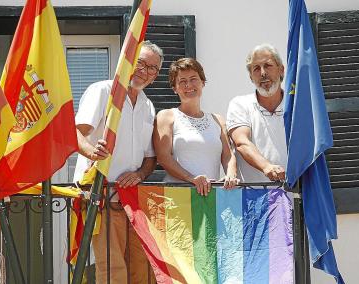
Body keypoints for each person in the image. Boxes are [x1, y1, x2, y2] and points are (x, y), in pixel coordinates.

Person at [73, 41, 163, 284]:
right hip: (101, 195)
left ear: (155, 76)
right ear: (127, 62)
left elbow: (150, 157)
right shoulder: (103, 90)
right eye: (140, 63)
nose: (144, 71)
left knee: (142, 268)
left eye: (152, 68)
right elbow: (76, 133)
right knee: (112, 268)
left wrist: (141, 174)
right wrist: (93, 152)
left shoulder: (148, 105)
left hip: (133, 200)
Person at [154, 58, 239, 195]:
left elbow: (228, 156)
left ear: (203, 82)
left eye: (193, 79)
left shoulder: (218, 120)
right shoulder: (166, 116)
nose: (188, 85)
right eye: (182, 81)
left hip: (211, 197)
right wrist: (191, 179)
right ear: (174, 88)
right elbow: (163, 157)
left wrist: (231, 175)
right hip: (178, 198)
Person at [227, 43, 287, 183]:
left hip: (295, 194)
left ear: (281, 70)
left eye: (268, 65)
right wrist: (267, 167)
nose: (263, 73)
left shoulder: (297, 105)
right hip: (255, 197)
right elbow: (241, 142)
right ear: (250, 77)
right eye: (256, 69)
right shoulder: (240, 104)